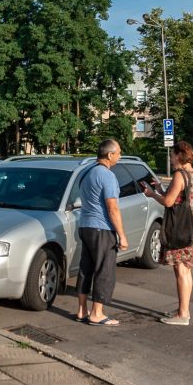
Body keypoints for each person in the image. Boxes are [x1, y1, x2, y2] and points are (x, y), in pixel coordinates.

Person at [141, 140, 193, 326]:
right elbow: (180, 197)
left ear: (179, 155)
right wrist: (160, 189)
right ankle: (183, 310)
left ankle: (182, 315)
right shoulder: (192, 174)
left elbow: (169, 202)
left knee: (180, 269)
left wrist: (151, 194)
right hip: (189, 224)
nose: (170, 158)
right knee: (185, 269)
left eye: (172, 155)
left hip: (179, 226)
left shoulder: (180, 175)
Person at [76, 139, 129, 327]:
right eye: (119, 153)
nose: (120, 156)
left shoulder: (86, 172)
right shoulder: (107, 175)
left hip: (85, 226)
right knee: (104, 270)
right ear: (109, 155)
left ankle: (82, 310)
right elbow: (112, 208)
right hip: (102, 228)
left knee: (86, 268)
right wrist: (122, 235)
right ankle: (97, 313)